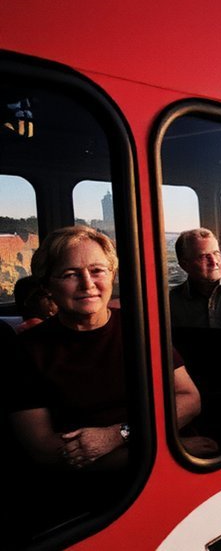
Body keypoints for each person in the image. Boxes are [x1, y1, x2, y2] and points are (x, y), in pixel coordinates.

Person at [5, 226, 207, 532]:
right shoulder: (26, 351)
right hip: (93, 498)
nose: (88, 284)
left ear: (111, 275)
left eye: (97, 270)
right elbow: (45, 451)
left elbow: (189, 399)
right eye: (70, 274)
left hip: (177, 470)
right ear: (48, 285)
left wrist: (117, 435)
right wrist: (161, 448)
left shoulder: (141, 328)